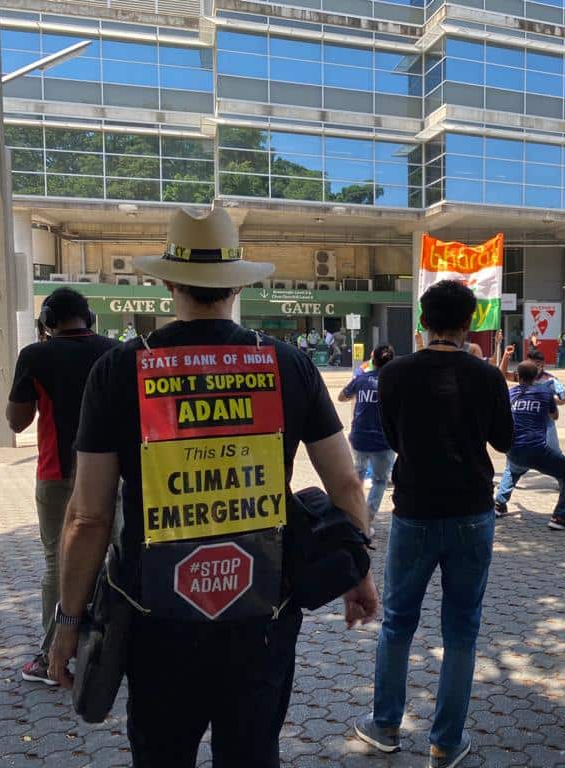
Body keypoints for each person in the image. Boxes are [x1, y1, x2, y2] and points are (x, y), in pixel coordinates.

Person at [47, 208, 378, 764]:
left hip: (156, 621)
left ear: (169, 280)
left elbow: (88, 516)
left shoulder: (120, 369)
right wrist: (358, 570)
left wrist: (68, 621)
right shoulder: (288, 363)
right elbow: (345, 480)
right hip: (261, 615)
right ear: (237, 282)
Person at [354, 280, 512, 768]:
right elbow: (505, 442)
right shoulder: (487, 377)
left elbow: (393, 436)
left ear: (422, 321)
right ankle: (445, 743)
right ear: (470, 324)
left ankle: (385, 725)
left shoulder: (395, 374)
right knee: (461, 630)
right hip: (472, 513)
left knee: (398, 622)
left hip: (414, 514)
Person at [7, 288, 118, 685]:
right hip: (113, 475)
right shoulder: (114, 351)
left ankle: (52, 656)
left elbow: (16, 421)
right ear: (89, 317)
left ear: (49, 321)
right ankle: (117, 651)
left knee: (61, 561)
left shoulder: (36, 356)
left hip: (59, 475)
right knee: (116, 561)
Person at [493, 360, 565, 529]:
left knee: (513, 469)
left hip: (512, 449)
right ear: (536, 376)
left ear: (518, 377)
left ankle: (499, 504)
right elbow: (555, 416)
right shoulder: (544, 392)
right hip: (536, 449)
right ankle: (560, 517)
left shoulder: (510, 394)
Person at [339, 345, 396, 536]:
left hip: (360, 438)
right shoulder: (396, 384)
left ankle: (352, 517)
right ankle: (367, 518)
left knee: (356, 479)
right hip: (384, 441)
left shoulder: (361, 379)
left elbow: (342, 397)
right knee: (379, 481)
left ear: (373, 358)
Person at [499, 347, 565, 452]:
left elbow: (564, 399)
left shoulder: (551, 380)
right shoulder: (525, 376)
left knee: (553, 452)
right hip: (525, 420)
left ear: (542, 364)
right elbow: (502, 375)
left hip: (546, 422)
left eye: (537, 363)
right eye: (531, 363)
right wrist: (506, 357)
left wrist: (550, 400)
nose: (534, 366)